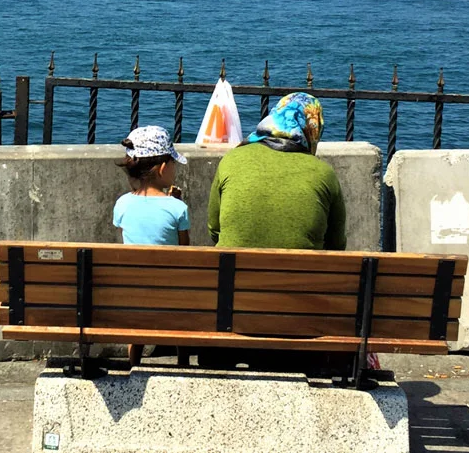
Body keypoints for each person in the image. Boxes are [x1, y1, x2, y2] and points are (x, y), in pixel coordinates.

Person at [207, 92, 346, 251]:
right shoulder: (324, 173)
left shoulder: (231, 159)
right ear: (313, 128)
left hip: (233, 273)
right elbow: (336, 243)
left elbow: (214, 229)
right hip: (303, 275)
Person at [113, 125, 190, 366]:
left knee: (140, 294)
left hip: (132, 293)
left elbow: (132, 236)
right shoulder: (178, 209)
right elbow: (185, 254)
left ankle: (134, 362)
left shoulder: (122, 204)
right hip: (172, 296)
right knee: (183, 290)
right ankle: (183, 362)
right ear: (163, 168)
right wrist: (173, 204)